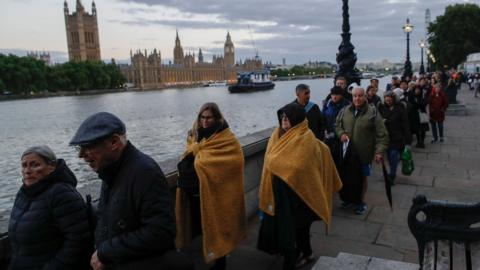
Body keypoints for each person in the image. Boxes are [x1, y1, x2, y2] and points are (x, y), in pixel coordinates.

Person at [70, 112, 192, 270]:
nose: (81, 155)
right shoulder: (112, 169)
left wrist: (106, 251)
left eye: (88, 147)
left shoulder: (144, 172)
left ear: (114, 142)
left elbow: (160, 233)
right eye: (80, 148)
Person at [257, 103, 342, 270]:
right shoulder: (277, 135)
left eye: (288, 117)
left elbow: (300, 167)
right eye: (282, 117)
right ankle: (305, 253)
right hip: (280, 193)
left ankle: (296, 258)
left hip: (300, 196)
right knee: (293, 230)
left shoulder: (305, 138)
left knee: (297, 229)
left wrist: (278, 165)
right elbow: (270, 160)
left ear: (297, 120)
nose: (284, 119)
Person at [176, 103, 246, 270]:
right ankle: (207, 256)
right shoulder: (195, 135)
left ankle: (220, 262)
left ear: (216, 118)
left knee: (217, 229)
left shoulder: (225, 138)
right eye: (202, 117)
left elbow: (236, 161)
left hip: (215, 195)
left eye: (208, 118)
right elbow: (190, 156)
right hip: (193, 194)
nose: (204, 121)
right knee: (199, 230)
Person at [8, 146, 92, 270]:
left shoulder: (61, 193)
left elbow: (78, 241)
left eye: (34, 165)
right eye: (24, 166)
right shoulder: (24, 192)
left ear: (51, 166)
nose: (27, 170)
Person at [335, 87, 389, 214]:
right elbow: (337, 124)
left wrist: (379, 152)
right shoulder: (344, 111)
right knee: (347, 177)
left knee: (362, 179)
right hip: (347, 153)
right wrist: (341, 133)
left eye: (360, 96)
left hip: (363, 154)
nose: (357, 99)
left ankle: (360, 202)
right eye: (355, 96)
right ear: (351, 97)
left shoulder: (373, 113)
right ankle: (348, 199)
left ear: (365, 96)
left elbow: (382, 135)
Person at [378, 92, 412, 184]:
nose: (387, 99)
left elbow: (406, 125)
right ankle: (392, 172)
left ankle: (392, 175)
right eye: (386, 97)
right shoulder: (381, 108)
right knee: (389, 157)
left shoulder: (400, 108)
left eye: (389, 97)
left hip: (397, 137)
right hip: (385, 137)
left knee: (393, 156)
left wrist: (408, 142)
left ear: (394, 98)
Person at [322, 86, 350, 151]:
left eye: (337, 95)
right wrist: (324, 129)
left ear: (341, 95)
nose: (334, 97)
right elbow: (322, 118)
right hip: (329, 136)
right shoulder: (327, 104)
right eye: (333, 95)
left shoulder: (347, 105)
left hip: (342, 136)